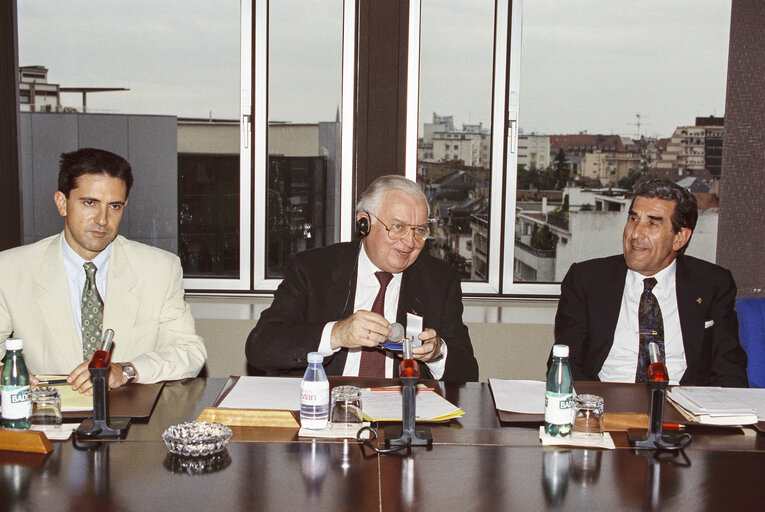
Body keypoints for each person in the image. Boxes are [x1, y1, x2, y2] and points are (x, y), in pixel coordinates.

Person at [0, 148, 206, 393]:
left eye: (114, 206)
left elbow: (189, 352)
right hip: (46, 416)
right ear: (62, 203)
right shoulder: (11, 269)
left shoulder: (160, 268)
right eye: (90, 203)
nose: (102, 219)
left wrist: (126, 371)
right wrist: (12, 376)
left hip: (130, 418)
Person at [246, 175, 478, 381]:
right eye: (398, 227)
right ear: (364, 223)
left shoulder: (440, 280)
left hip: (400, 413)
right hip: (325, 407)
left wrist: (437, 354)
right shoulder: (312, 269)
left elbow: (468, 373)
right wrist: (336, 333)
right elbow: (261, 346)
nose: (410, 242)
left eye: (419, 230)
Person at [553, 179, 748, 386]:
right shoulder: (586, 280)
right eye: (633, 219)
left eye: (652, 223)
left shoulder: (712, 284)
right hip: (605, 403)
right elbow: (565, 362)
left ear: (679, 238)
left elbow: (729, 368)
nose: (635, 233)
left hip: (684, 405)